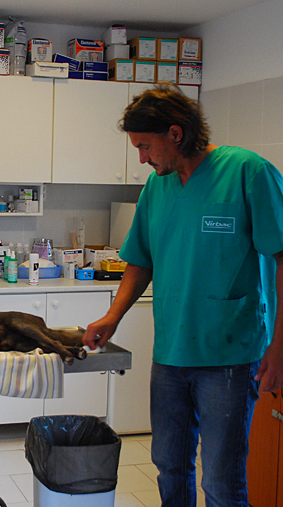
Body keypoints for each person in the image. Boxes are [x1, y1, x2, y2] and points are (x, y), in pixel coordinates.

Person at [82, 82, 283, 506]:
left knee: (222, 481)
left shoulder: (248, 173)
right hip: (171, 352)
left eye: (144, 146)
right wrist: (112, 316)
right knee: (169, 466)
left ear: (175, 133)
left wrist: (279, 347)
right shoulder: (159, 186)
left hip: (229, 354)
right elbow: (140, 260)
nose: (141, 158)